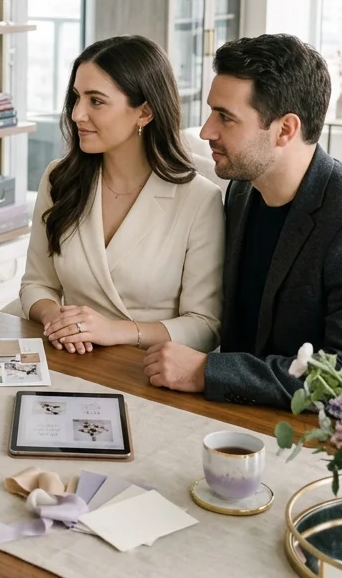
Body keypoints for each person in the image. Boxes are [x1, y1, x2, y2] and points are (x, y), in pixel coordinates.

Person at [142, 33, 342, 409]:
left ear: (286, 129)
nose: (207, 131)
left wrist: (207, 371)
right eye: (212, 112)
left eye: (225, 117)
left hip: (333, 441)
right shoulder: (242, 192)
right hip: (242, 419)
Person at [20, 35, 224, 356]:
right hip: (69, 355)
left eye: (96, 101)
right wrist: (58, 320)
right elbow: (37, 283)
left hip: (149, 368)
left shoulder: (199, 200)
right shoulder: (59, 178)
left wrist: (113, 331)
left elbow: (204, 325)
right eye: (76, 97)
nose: (77, 114)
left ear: (144, 113)